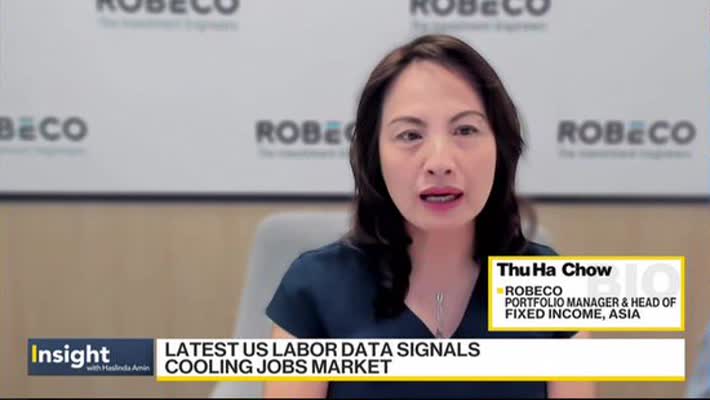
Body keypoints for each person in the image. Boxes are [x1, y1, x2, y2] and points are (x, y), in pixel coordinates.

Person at [264, 34, 595, 399]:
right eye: (410, 135)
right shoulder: (314, 288)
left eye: (465, 130)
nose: (439, 162)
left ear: (500, 148)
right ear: (375, 157)